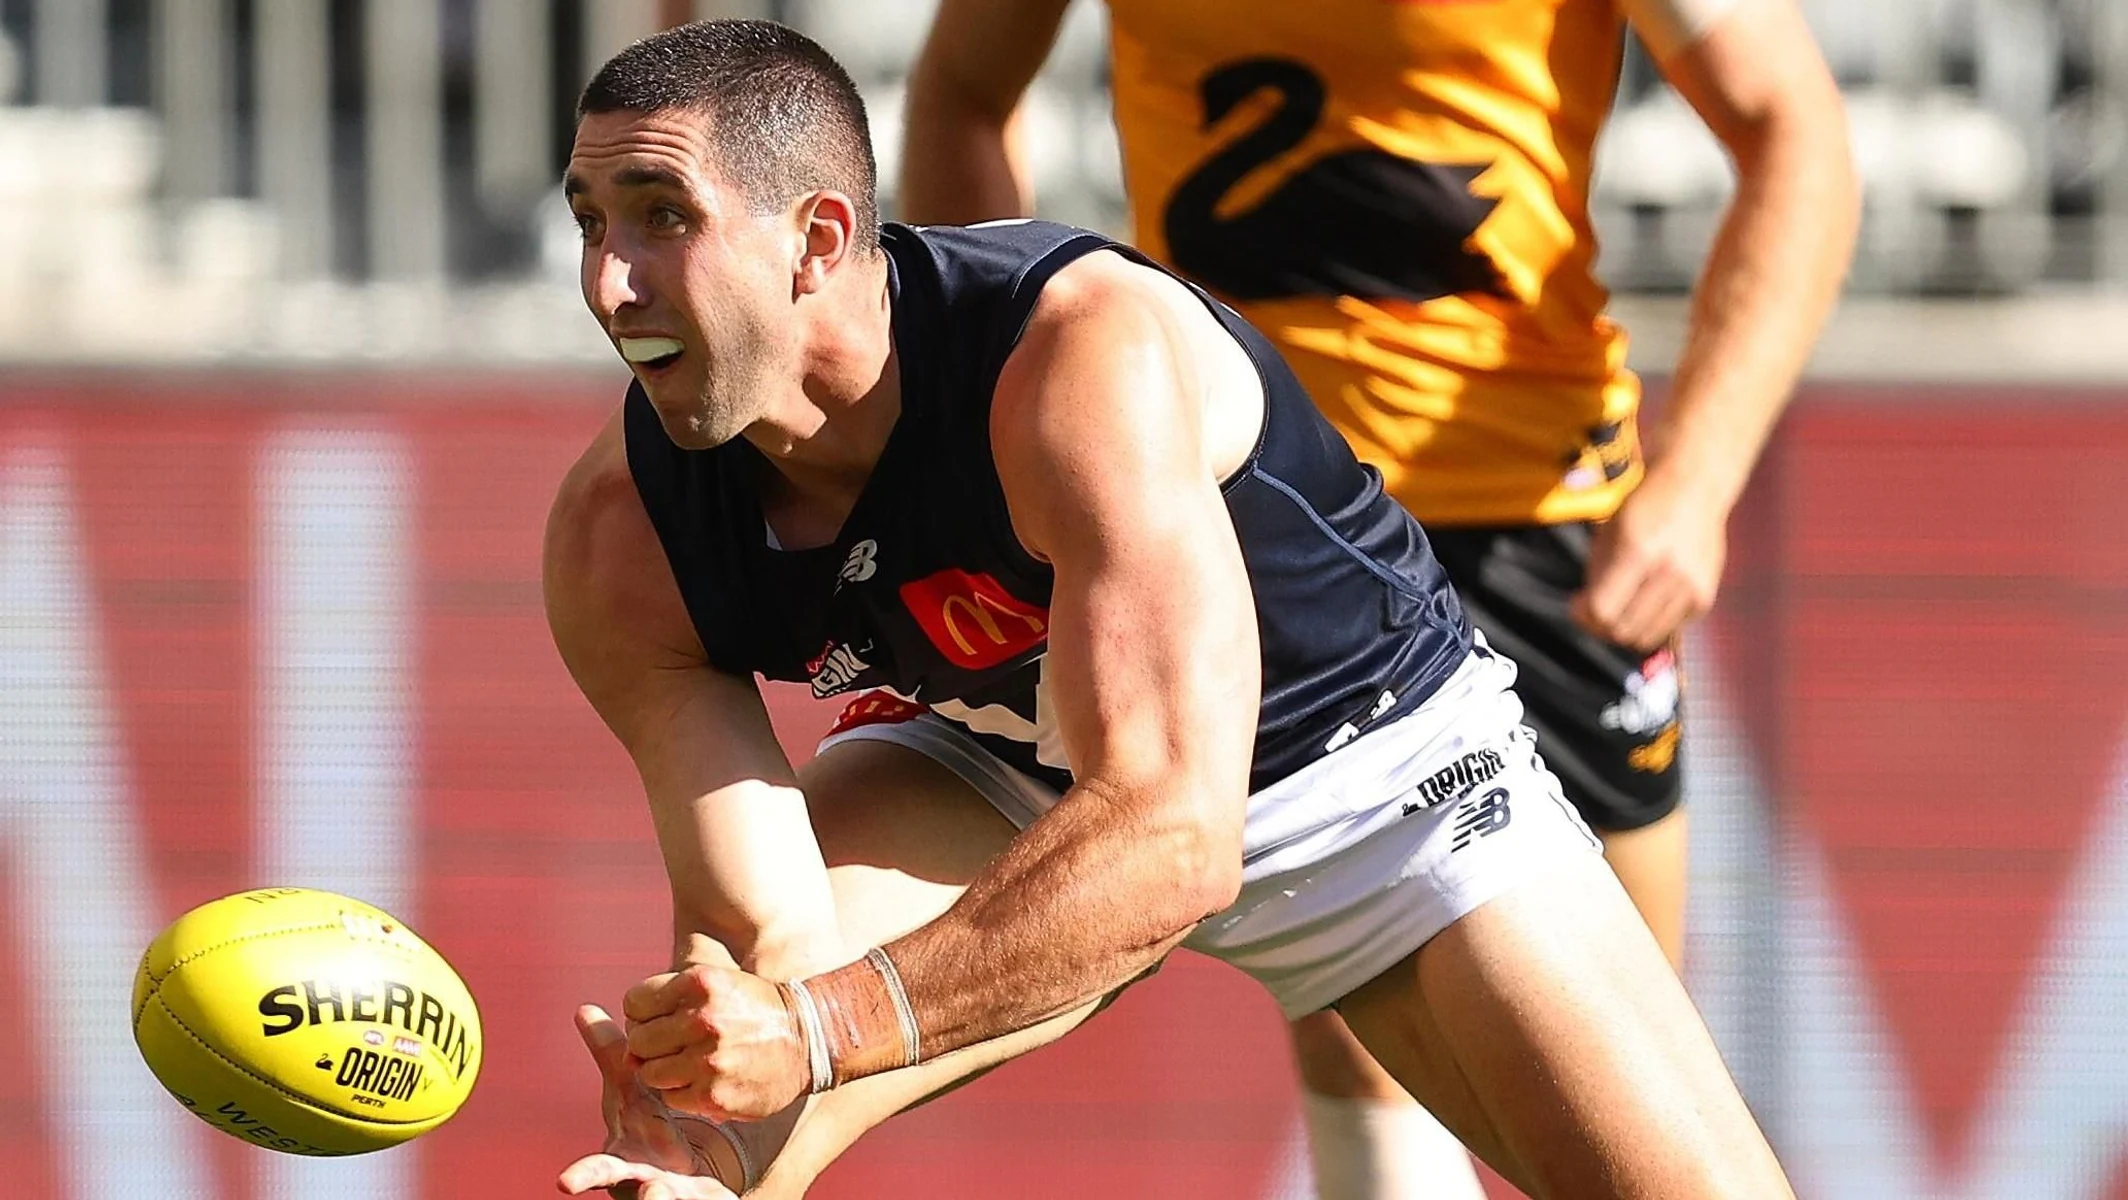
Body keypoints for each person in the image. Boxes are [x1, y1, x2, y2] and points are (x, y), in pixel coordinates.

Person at [543, 19, 1798, 1200]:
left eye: (663, 218)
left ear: (818, 241)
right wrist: (705, 1139)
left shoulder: (1072, 354)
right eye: (590, 221)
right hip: (1002, 765)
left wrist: (820, 1028)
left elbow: (1172, 840)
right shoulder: (619, 536)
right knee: (722, 1105)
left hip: (1368, 781)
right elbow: (758, 938)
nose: (608, 285)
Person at [900, 0, 1856, 1192]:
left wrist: (1696, 483)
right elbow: (961, 92)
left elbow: (1792, 129)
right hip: (1258, 512)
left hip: (1537, 515)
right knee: (1366, 1047)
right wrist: (993, 427)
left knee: (1627, 1093)